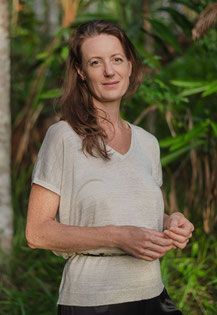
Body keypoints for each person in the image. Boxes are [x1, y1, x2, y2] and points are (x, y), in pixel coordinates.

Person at [25, 20, 194, 315]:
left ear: (130, 65)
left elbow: (134, 212)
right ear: (81, 72)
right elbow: (37, 232)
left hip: (154, 294)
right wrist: (118, 237)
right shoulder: (63, 137)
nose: (109, 71)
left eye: (117, 59)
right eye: (95, 62)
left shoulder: (148, 142)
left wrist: (170, 222)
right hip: (93, 302)